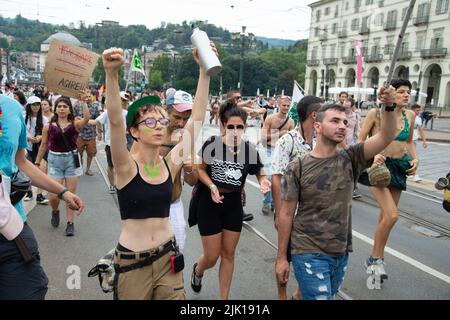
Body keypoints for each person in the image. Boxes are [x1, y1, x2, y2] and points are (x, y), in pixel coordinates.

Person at [103, 44, 213, 300]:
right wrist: (111, 74)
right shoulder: (125, 167)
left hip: (167, 259)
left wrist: (204, 71)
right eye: (149, 122)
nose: (158, 126)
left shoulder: (169, 163)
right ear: (134, 131)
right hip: (132, 264)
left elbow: (196, 119)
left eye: (162, 121)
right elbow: (116, 120)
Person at [276, 87, 402, 300]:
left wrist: (389, 106)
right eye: (335, 121)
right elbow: (286, 214)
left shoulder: (351, 157)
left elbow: (386, 136)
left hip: (340, 253)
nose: (342, 126)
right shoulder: (297, 166)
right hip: (308, 251)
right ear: (317, 126)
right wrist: (281, 258)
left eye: (345, 122)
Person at [0, 94, 83, 299]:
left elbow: (20, 161)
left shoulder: (10, 108)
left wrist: (62, 192)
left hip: (10, 226)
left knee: (31, 290)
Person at [190, 100, 271, 299]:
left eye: (240, 127)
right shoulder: (213, 144)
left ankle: (224, 299)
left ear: (245, 127)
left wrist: (263, 181)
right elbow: (200, 169)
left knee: (228, 254)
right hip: (209, 202)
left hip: (233, 205)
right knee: (212, 257)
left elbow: (259, 171)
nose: (235, 130)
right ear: (225, 126)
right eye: (231, 126)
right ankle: (198, 271)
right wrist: (211, 186)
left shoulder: (249, 149)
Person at [357, 79, 418, 281]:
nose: (406, 95)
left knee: (385, 218)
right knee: (392, 216)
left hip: (399, 168)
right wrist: (373, 155)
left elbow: (408, 142)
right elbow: (361, 139)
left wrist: (416, 158)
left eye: (408, 92)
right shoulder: (376, 113)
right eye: (401, 92)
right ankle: (375, 258)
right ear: (391, 94)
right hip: (378, 169)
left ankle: (377, 259)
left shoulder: (410, 115)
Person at [271, 95, 322, 300]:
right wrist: (279, 212)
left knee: (310, 258)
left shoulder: (320, 140)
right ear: (314, 115)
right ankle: (282, 295)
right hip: (291, 211)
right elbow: (276, 178)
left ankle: (299, 295)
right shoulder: (288, 141)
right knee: (285, 257)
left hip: (313, 214)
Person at [35, 94, 90, 236]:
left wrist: (84, 103)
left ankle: (70, 222)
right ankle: (55, 211)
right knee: (53, 196)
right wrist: (37, 162)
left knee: (70, 195)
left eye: (65, 106)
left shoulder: (75, 125)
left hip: (71, 160)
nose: (62, 109)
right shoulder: (48, 126)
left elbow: (87, 119)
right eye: (59, 106)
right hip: (54, 161)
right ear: (55, 109)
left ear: (69, 110)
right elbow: (43, 145)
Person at [260, 96, 294, 215]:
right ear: (279, 104)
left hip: (282, 153)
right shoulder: (270, 119)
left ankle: (275, 202)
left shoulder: (290, 122)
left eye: (288, 106)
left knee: (280, 180)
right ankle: (266, 202)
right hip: (269, 150)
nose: (285, 108)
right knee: (269, 177)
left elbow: (291, 140)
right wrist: (280, 133)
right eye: (283, 105)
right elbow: (263, 138)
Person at [23, 96, 49, 203]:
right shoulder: (23, 117)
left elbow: (46, 134)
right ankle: (29, 192)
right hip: (27, 147)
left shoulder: (44, 119)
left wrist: (40, 137)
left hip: (40, 148)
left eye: (38, 104)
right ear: (29, 106)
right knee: (27, 170)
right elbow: (20, 132)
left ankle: (39, 194)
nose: (36, 107)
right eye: (34, 104)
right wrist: (28, 137)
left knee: (41, 170)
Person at [341, 97, 362, 199]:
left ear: (351, 106)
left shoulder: (356, 116)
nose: (345, 109)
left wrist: (360, 141)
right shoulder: (339, 114)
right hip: (339, 144)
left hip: (351, 143)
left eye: (347, 107)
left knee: (353, 166)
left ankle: (353, 187)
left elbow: (357, 130)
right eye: (344, 107)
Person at [74, 98, 101, 176]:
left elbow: (98, 120)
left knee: (91, 153)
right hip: (79, 134)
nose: (87, 98)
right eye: (85, 97)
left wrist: (99, 132)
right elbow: (73, 118)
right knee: (77, 154)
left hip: (91, 134)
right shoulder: (77, 106)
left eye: (88, 96)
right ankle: (78, 168)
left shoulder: (95, 106)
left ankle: (88, 169)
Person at [411, 104, 428, 182]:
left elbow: (421, 130)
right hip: (406, 140)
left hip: (414, 140)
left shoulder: (418, 119)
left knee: (414, 158)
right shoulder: (407, 117)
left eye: (419, 110)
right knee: (414, 158)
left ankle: (414, 174)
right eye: (417, 110)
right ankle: (414, 175)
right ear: (413, 110)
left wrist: (424, 141)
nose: (419, 112)